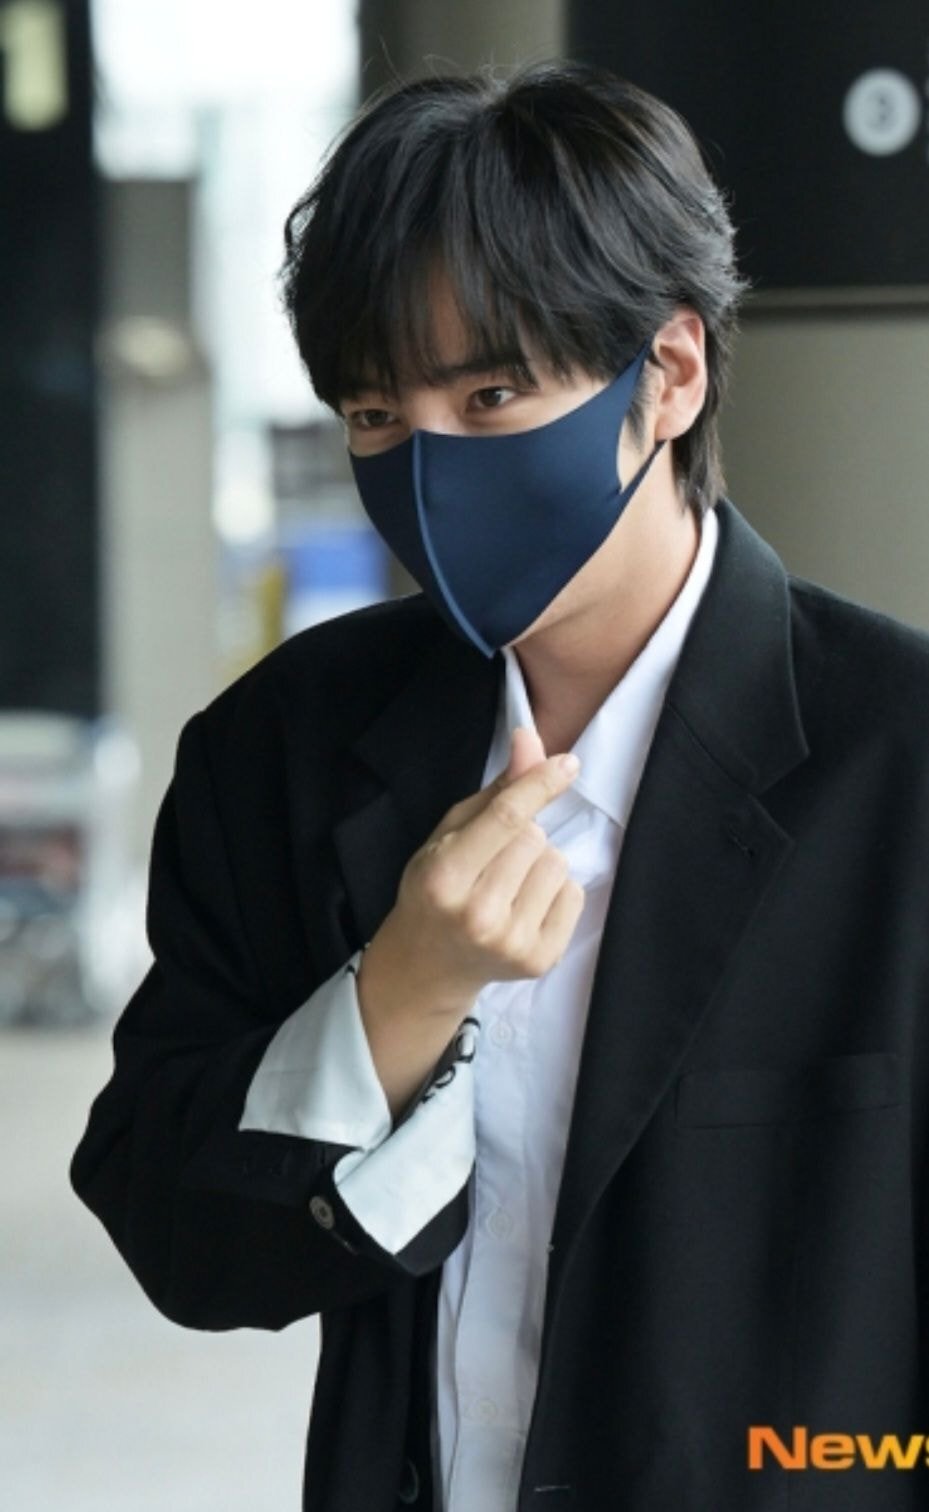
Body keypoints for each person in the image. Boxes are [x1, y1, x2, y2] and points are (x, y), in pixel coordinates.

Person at [70, 57, 929, 1512]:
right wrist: (399, 994)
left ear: (668, 374)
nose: (429, 468)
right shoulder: (280, 751)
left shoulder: (898, 764)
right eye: (375, 416)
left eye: (493, 393)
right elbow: (182, 1240)